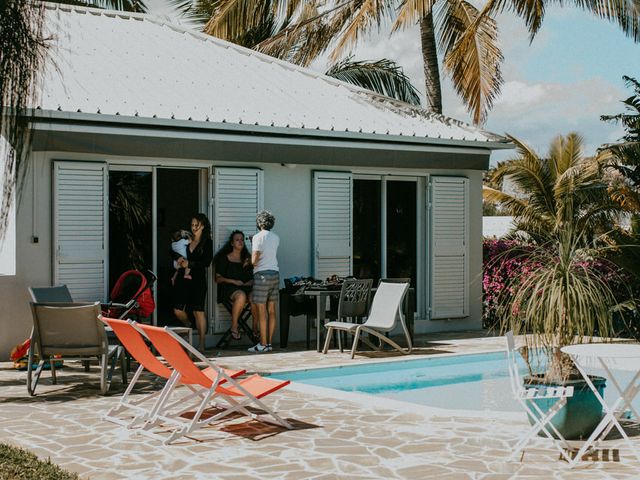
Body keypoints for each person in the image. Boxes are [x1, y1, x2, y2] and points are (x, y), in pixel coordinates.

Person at [172, 213, 213, 352]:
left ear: (203, 226)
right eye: (192, 225)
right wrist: (178, 258)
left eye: (197, 225)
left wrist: (190, 263)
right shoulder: (186, 239)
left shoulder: (207, 242)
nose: (194, 228)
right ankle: (188, 324)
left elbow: (207, 262)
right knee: (178, 310)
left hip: (198, 279)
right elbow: (172, 249)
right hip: (183, 278)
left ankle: (201, 344)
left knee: (198, 311)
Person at [214, 230, 257, 340]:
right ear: (232, 243)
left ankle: (255, 328)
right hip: (229, 288)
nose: (240, 242)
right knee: (241, 295)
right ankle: (234, 326)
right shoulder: (224, 258)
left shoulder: (247, 258)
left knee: (255, 297)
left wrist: (250, 282)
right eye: (237, 240)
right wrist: (233, 281)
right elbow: (218, 278)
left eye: (242, 240)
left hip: (246, 287)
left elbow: (254, 276)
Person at [248, 210, 280, 353]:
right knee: (272, 310)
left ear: (259, 223)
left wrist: (252, 247)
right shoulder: (276, 237)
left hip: (262, 275)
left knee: (261, 311)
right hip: (275, 273)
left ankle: (262, 343)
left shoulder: (257, 237)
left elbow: (254, 261)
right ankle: (269, 344)